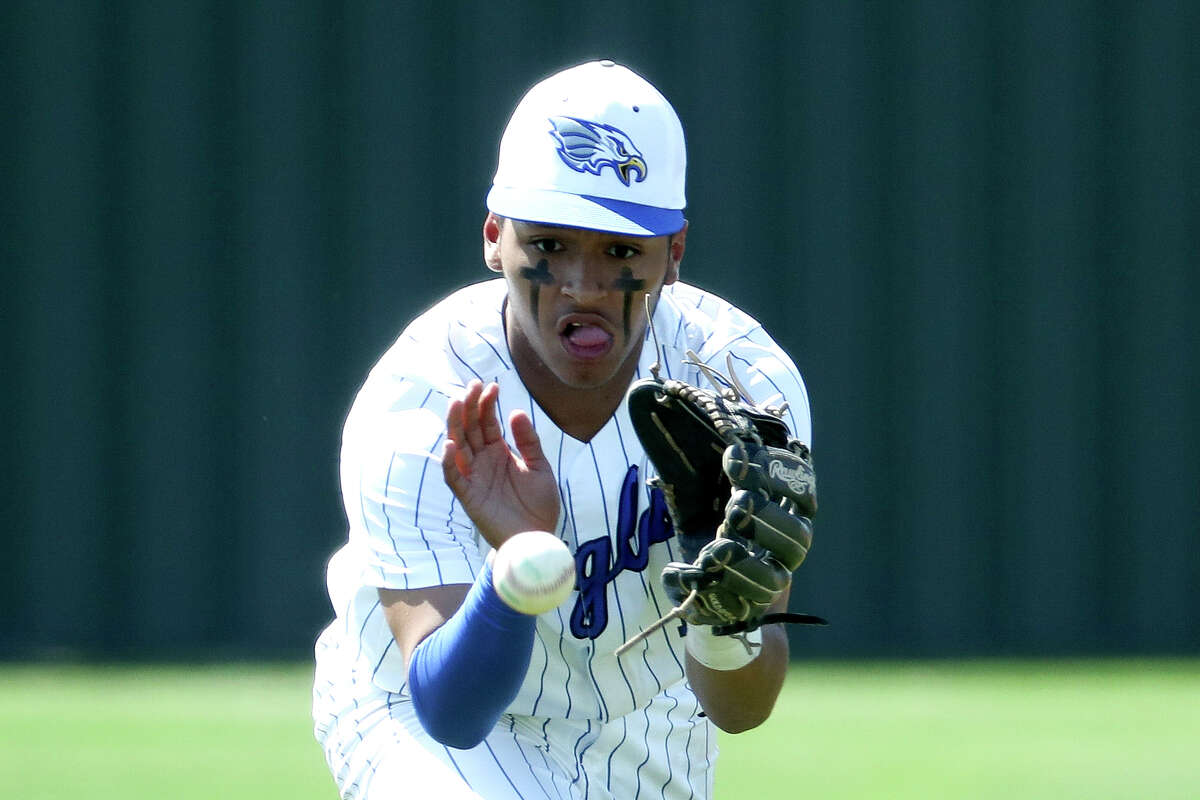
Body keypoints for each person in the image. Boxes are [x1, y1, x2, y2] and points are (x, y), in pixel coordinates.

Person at [312, 59, 814, 799]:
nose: (582, 283)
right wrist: (516, 569)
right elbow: (450, 711)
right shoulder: (422, 404)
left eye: (619, 250)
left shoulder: (743, 384)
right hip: (413, 720)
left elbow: (740, 709)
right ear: (494, 239)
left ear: (673, 253)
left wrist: (723, 614)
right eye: (548, 245)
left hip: (652, 717)